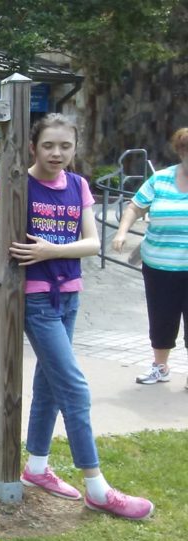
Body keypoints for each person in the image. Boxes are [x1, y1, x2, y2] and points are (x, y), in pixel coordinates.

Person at [0, 114, 153, 520]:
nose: (57, 153)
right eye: (49, 146)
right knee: (75, 389)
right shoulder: (15, 183)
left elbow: (93, 244)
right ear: (34, 147)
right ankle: (98, 489)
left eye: (66, 146)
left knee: (52, 387)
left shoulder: (79, 185)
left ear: (75, 148)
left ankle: (37, 468)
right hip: (36, 303)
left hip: (70, 297)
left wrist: (49, 251)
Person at [111, 128, 188, 388]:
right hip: (159, 264)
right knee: (161, 316)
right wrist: (121, 232)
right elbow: (135, 206)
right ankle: (160, 367)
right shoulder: (161, 180)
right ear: (180, 152)